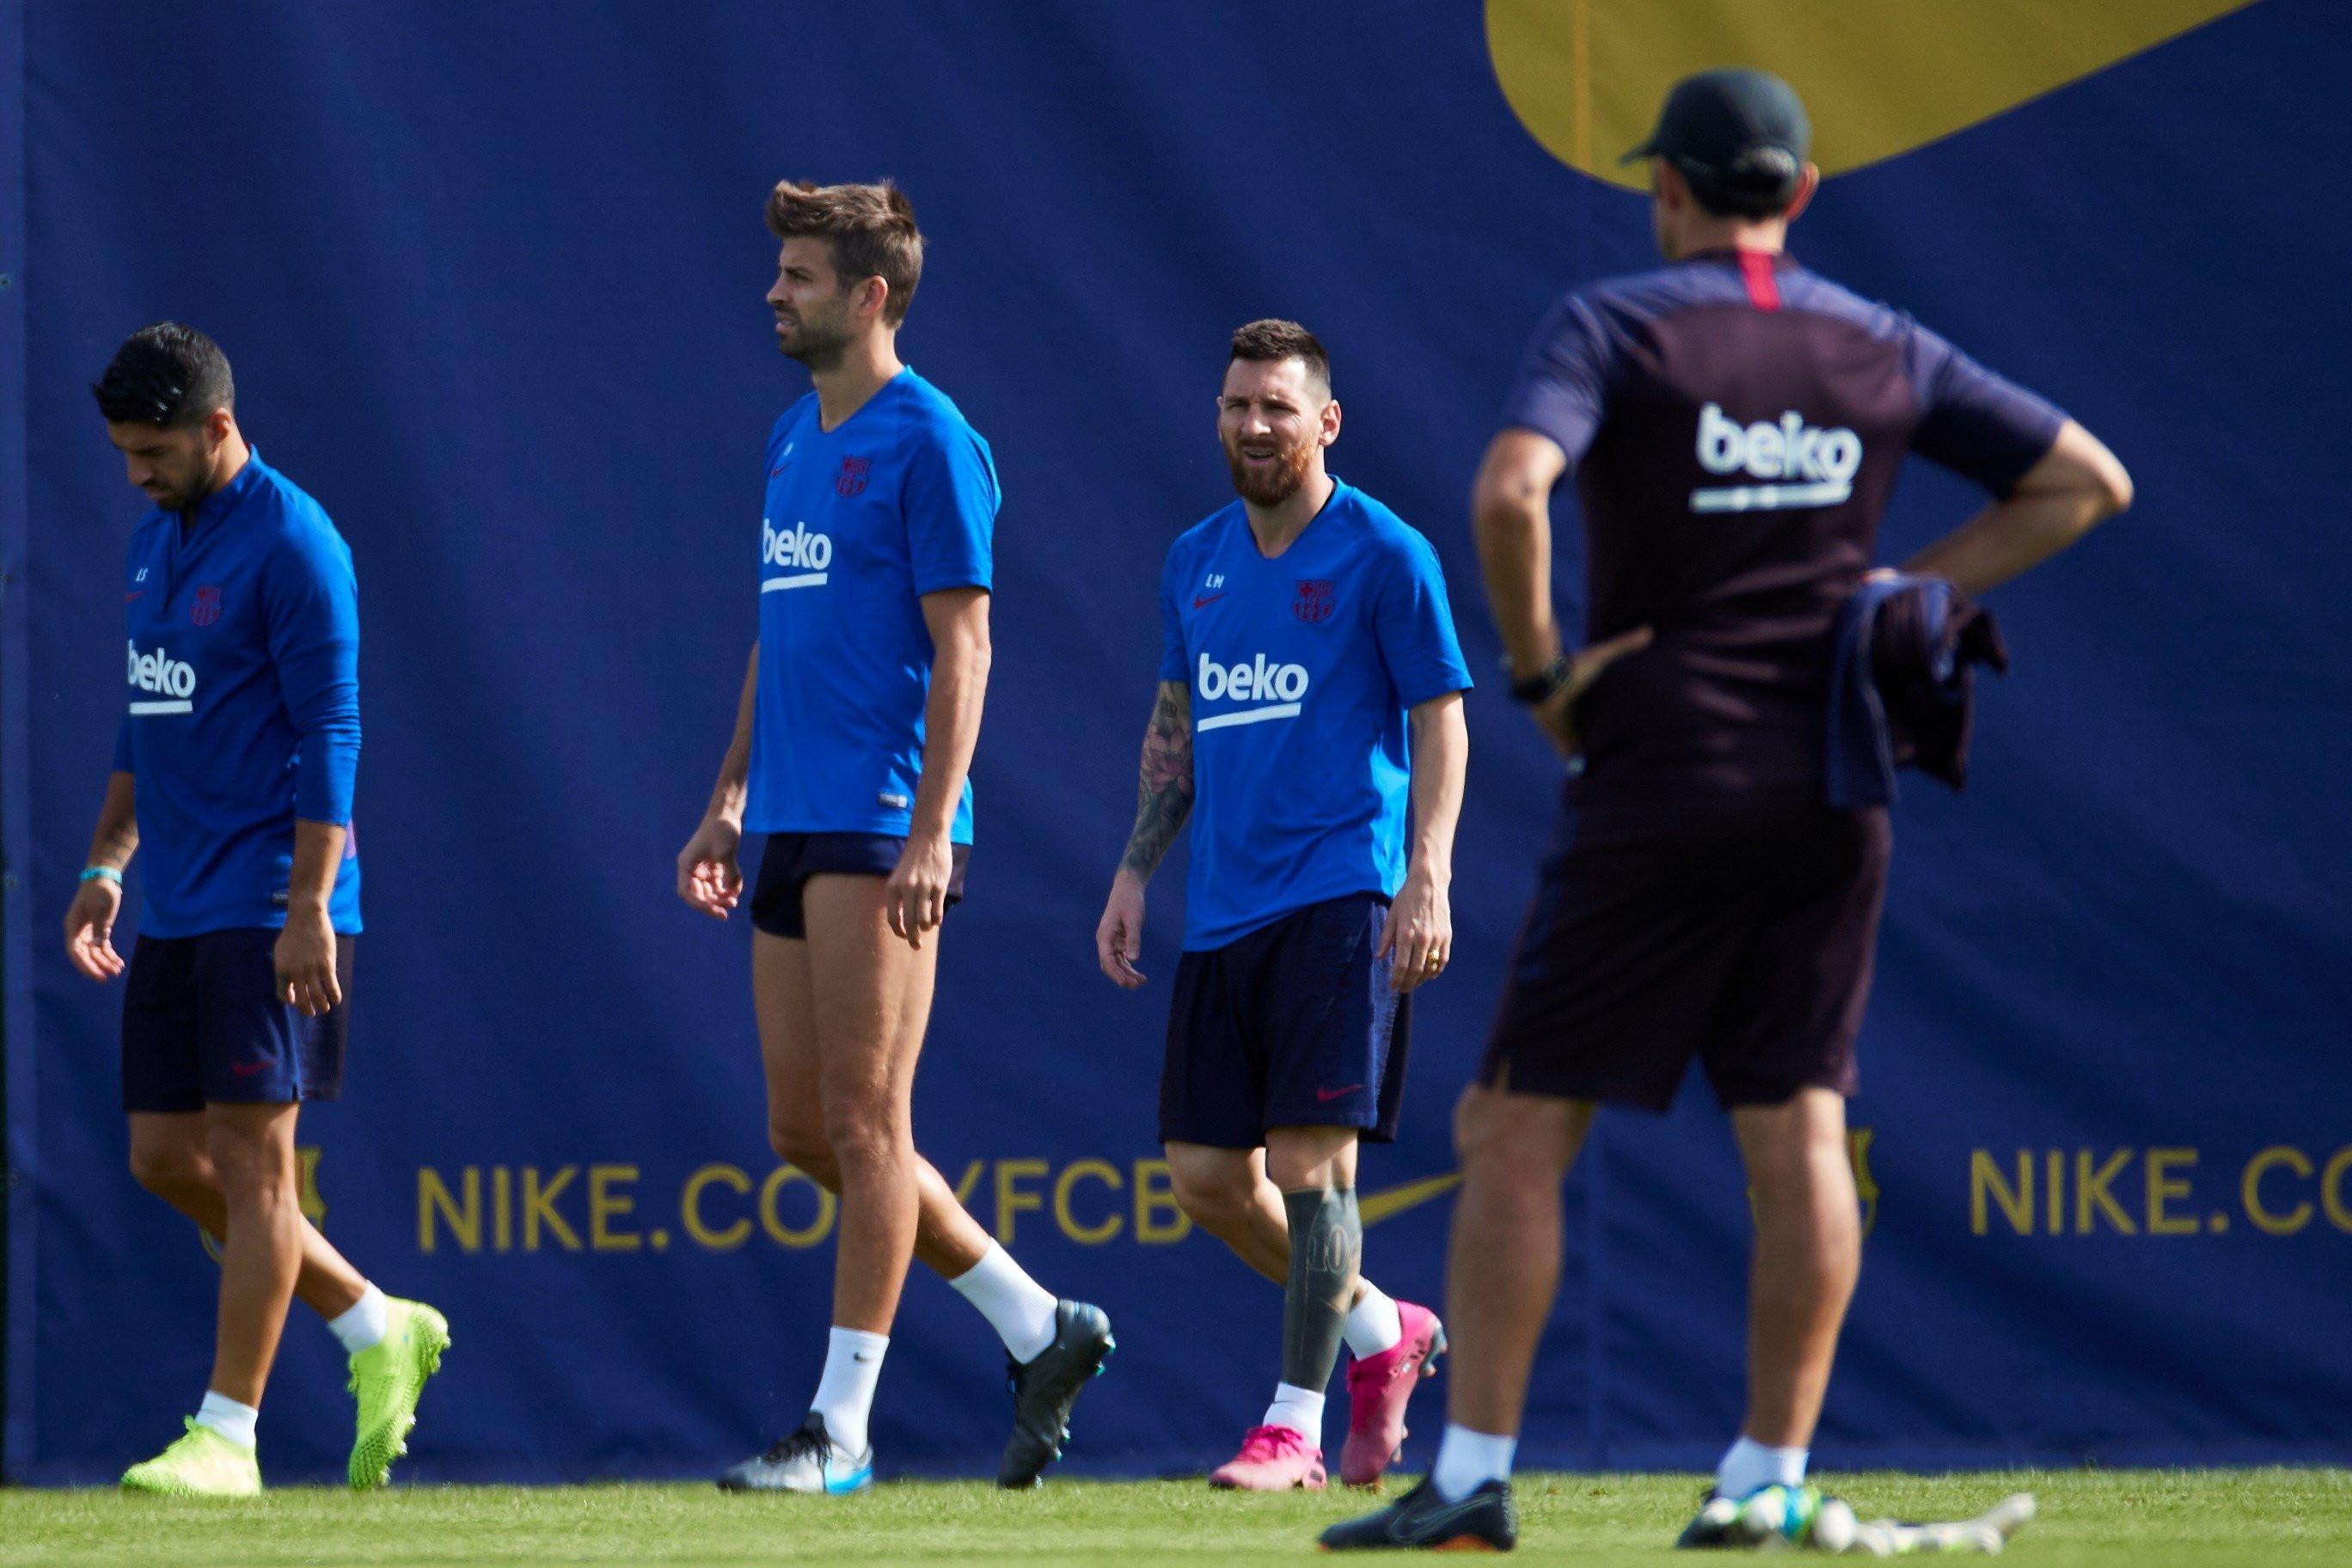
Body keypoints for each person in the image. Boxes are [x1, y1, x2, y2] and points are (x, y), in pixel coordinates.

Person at [1322, 70, 2132, 1552]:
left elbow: (1511, 492)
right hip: (1835, 777)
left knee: (1512, 1127)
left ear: (1671, 192)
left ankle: (1469, 1482)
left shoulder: (1620, 322)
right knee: (1800, 1128)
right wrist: (1890, 591)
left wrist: (1547, 673)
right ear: (1803, 195)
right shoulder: (1877, 339)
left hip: (1661, 772)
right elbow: (2084, 483)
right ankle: (1766, 1471)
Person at [677, 179, 1113, 1496]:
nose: (774, 292)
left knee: (870, 1121)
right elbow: (780, 627)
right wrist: (730, 793)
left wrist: (934, 828)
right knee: (807, 1133)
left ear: (870, 296)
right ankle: (1039, 1327)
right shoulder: (791, 437)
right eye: (779, 273)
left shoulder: (933, 439)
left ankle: (841, 1433)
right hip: (796, 817)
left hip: (883, 819)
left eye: (799, 275)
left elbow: (966, 644)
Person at [65, 323, 450, 1497]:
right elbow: (147, 717)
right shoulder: (151, 543)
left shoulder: (296, 541)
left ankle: (226, 1436)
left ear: (219, 427)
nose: (137, 471)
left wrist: (310, 904)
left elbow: (335, 731)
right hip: (174, 899)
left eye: (155, 449)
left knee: (253, 1166)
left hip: (270, 895)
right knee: (161, 1158)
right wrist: (107, 866)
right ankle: (378, 1324)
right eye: (125, 451)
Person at [1096, 321, 1472, 1491]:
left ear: (1327, 422)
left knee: (1314, 1173)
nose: (1253, 426)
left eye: (1276, 407)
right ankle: (1381, 1331)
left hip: (1341, 895)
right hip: (1221, 910)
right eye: (1236, 405)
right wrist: (1134, 869)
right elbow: (1177, 734)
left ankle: (1290, 1432)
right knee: (1209, 1183)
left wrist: (1429, 874)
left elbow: (1442, 718)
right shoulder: (1194, 560)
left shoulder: (1386, 553)